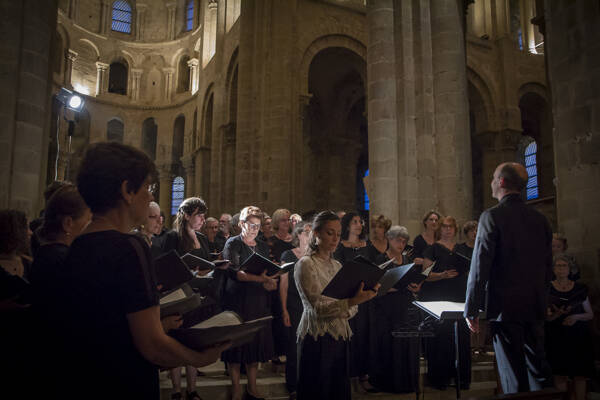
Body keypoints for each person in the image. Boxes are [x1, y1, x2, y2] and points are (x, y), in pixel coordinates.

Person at [57, 142, 229, 399]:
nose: (151, 196)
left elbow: (107, 323)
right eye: (148, 188)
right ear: (127, 190)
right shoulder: (130, 247)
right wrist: (200, 357)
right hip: (125, 382)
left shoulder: (76, 244)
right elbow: (151, 344)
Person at [464, 162, 554, 394]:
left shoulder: (492, 216)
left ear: (502, 182)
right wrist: (544, 301)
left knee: (512, 374)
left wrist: (471, 308)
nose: (491, 182)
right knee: (539, 373)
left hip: (505, 309)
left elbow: (479, 266)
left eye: (494, 178)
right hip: (534, 307)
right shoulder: (540, 219)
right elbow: (547, 267)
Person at [295, 210, 379, 400]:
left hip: (340, 335)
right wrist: (351, 302)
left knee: (338, 391)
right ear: (316, 234)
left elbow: (352, 306)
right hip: (316, 337)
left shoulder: (338, 266)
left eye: (338, 234)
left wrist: (354, 302)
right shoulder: (306, 264)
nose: (335, 239)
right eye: (329, 233)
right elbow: (316, 307)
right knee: (318, 391)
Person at [157, 197, 213, 400]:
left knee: (194, 341)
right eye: (199, 214)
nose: (202, 219)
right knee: (176, 340)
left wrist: (213, 267)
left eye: (204, 215)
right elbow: (165, 265)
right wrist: (188, 271)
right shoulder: (173, 237)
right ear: (187, 215)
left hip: (199, 295)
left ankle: (192, 389)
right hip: (179, 296)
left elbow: (206, 262)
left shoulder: (203, 239)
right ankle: (176, 391)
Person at [221, 206, 278, 400]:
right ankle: (236, 387)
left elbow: (265, 271)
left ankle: (252, 386)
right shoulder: (233, 243)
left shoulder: (261, 245)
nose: (255, 229)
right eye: (251, 225)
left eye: (258, 226)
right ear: (242, 224)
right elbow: (235, 273)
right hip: (237, 298)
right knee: (236, 344)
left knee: (255, 342)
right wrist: (261, 280)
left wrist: (270, 281)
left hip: (257, 299)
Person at [421, 216, 472, 390]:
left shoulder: (462, 249)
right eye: (444, 227)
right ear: (439, 229)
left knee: (462, 336)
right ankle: (440, 379)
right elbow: (425, 275)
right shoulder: (432, 249)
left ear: (455, 229)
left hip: (460, 295)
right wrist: (442, 275)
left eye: (451, 227)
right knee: (442, 337)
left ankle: (461, 378)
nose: (448, 230)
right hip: (440, 295)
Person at [369, 226, 421, 393]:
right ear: (389, 240)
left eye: (404, 241)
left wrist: (414, 286)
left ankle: (407, 383)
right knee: (389, 345)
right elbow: (375, 288)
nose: (401, 243)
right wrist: (394, 287)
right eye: (397, 240)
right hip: (386, 309)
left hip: (405, 306)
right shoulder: (380, 260)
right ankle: (390, 384)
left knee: (406, 344)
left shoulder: (407, 261)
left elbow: (412, 283)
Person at [333, 211, 376, 392]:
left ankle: (364, 376)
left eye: (360, 222)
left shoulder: (368, 245)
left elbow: (375, 267)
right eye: (355, 222)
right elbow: (339, 271)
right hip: (349, 296)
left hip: (365, 296)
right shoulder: (340, 247)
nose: (359, 225)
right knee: (350, 336)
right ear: (347, 225)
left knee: (365, 336)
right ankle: (348, 378)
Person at [545, 254, 594, 400]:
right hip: (557, 334)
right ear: (553, 269)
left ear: (570, 269)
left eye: (564, 266)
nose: (561, 269)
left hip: (578, 335)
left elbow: (589, 314)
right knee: (559, 373)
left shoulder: (580, 288)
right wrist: (558, 314)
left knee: (580, 374)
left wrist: (575, 317)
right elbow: (546, 317)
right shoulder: (548, 288)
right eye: (558, 266)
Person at [279, 221, 312, 397]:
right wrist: (284, 310)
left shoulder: (315, 255)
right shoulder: (288, 254)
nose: (309, 234)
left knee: (311, 345)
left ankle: (308, 384)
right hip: (293, 304)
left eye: (311, 232)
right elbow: (283, 285)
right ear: (298, 234)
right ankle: (293, 386)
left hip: (312, 305)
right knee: (294, 345)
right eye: (306, 232)